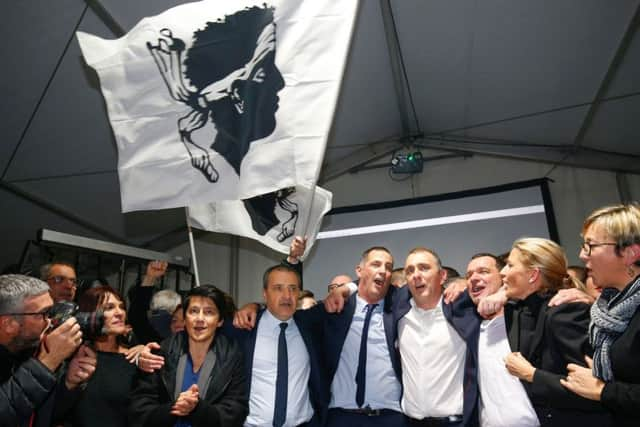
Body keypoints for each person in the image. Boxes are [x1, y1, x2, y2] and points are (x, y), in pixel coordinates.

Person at [500, 238, 611, 425]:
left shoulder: (565, 312)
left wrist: (531, 375)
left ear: (533, 275)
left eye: (510, 265)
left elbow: (593, 389)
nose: (502, 272)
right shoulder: (517, 311)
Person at [561, 204, 640, 426]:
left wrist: (603, 390)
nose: (582, 255)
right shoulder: (608, 309)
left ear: (629, 253)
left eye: (590, 246)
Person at [129, 285, 248, 427]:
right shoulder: (163, 351)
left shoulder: (232, 356)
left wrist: (197, 409)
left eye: (209, 312)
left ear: (220, 321)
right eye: (193, 311)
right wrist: (173, 408)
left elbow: (236, 411)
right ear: (184, 318)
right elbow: (139, 409)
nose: (200, 318)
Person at [226, 264, 327, 427]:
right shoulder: (244, 328)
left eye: (293, 289)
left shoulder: (309, 325)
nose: (287, 296)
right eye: (278, 288)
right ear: (265, 294)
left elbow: (345, 295)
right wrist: (253, 305)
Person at [394, 248, 476, 426]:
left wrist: (465, 282)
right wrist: (346, 287)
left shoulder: (463, 309)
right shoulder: (398, 311)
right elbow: (370, 286)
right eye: (410, 270)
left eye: (424, 268)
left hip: (455, 422)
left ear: (443, 275)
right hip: (411, 422)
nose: (416, 275)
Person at [0, 274, 94, 426]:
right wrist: (47, 362)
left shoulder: (27, 352)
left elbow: (39, 414)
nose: (50, 321)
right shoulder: (41, 359)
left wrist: (69, 383)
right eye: (43, 314)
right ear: (9, 323)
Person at [464, 253, 540, 427]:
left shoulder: (528, 320)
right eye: (468, 276)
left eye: (483, 271)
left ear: (503, 277)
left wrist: (505, 293)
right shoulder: (472, 331)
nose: (473, 279)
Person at [58, 285, 145, 426]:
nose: (120, 313)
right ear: (89, 314)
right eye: (109, 308)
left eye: (121, 307)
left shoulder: (134, 357)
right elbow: (52, 410)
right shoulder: (73, 356)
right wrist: (69, 383)